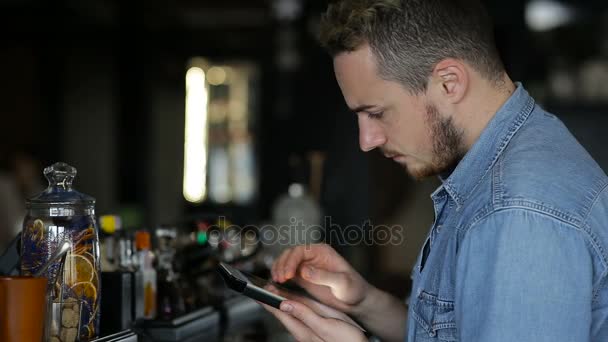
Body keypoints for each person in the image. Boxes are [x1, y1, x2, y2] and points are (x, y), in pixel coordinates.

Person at [262, 0, 608, 341]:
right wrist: (366, 302)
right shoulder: (509, 163)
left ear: (449, 83)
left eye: (377, 112)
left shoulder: (514, 214)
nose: (367, 140)